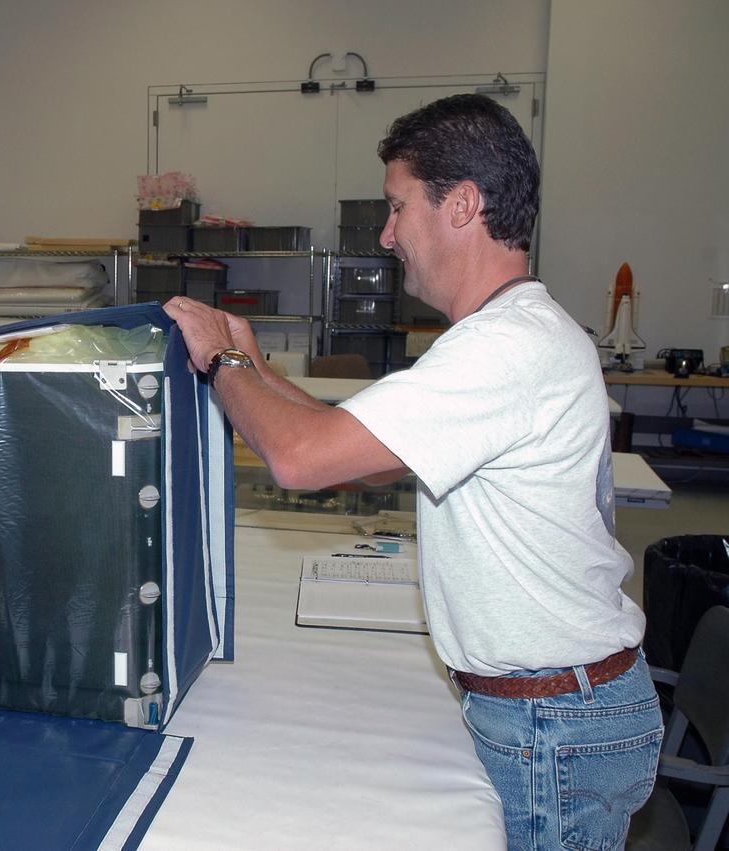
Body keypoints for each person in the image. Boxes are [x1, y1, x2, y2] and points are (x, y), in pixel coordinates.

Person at [164, 94, 660, 850]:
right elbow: (357, 456)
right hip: (548, 708)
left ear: (462, 204)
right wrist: (257, 365)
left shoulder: (504, 348)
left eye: (397, 208)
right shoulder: (508, 335)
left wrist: (222, 359)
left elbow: (300, 458)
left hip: (553, 721)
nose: (388, 234)